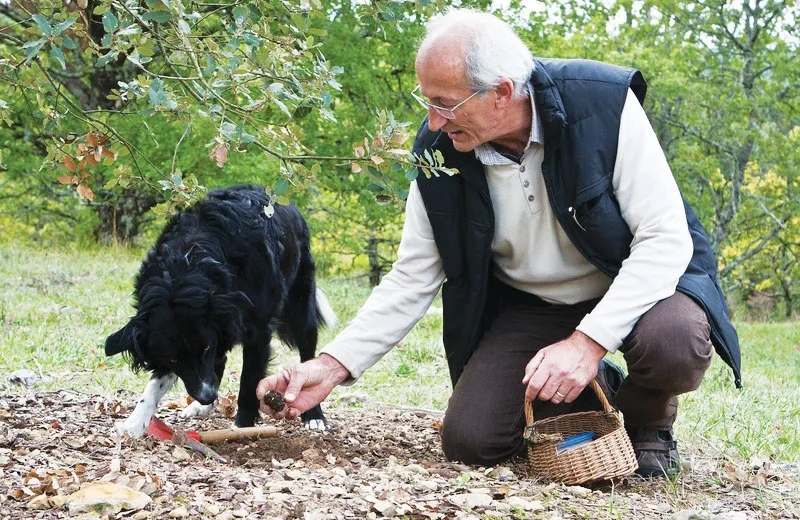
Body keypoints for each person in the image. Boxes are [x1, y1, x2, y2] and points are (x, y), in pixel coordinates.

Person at [257, 8, 742, 478]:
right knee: (472, 439)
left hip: (633, 285)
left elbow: (664, 239)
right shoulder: (439, 155)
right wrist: (331, 365)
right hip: (533, 304)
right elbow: (412, 277)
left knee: (673, 344)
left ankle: (648, 418)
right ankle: (599, 390)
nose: (433, 122)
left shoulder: (603, 104)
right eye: (426, 100)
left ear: (502, 93)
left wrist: (588, 343)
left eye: (444, 103)